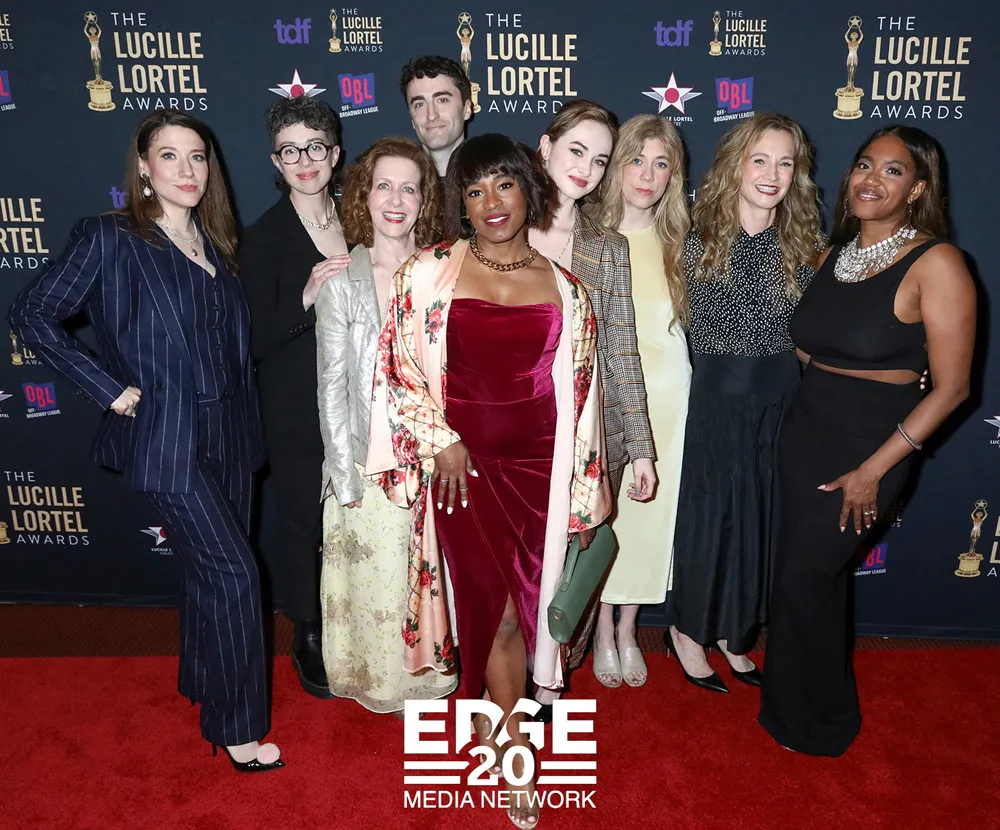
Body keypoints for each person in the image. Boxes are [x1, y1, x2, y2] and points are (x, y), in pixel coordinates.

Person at [9, 110, 282, 772]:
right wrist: (106, 388)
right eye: (169, 156)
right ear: (142, 167)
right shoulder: (111, 237)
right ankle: (237, 728)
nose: (187, 170)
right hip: (167, 439)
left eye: (197, 156)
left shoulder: (216, 244)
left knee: (208, 576)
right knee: (236, 575)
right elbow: (31, 313)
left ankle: (204, 683)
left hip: (231, 431)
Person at [367, 133, 610, 828]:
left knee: (526, 606)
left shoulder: (568, 289)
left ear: (529, 190)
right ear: (461, 204)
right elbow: (396, 366)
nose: (491, 203)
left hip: (540, 471)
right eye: (474, 191)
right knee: (493, 608)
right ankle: (513, 748)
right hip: (462, 473)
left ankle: (493, 715)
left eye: (504, 185)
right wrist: (440, 440)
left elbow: (584, 395)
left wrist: (586, 492)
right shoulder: (427, 272)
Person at [759, 126, 975, 756]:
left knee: (805, 577)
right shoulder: (830, 256)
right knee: (807, 581)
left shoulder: (937, 264)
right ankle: (800, 711)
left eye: (893, 170)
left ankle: (819, 724)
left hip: (870, 447)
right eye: (863, 165)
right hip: (805, 432)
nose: (871, 179)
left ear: (919, 189)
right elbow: (810, 347)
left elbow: (953, 389)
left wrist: (873, 470)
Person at [666, 113, 824, 693]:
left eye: (785, 163)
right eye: (760, 160)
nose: (772, 174)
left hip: (780, 402)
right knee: (711, 520)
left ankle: (736, 632)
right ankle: (688, 630)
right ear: (735, 165)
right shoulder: (695, 238)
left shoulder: (804, 244)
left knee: (760, 521)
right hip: (718, 399)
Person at [315, 137, 457, 712]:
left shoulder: (445, 271)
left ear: (425, 199)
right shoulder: (342, 280)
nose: (396, 201)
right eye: (384, 187)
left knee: (428, 578)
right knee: (377, 583)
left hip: (435, 460)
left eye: (409, 188)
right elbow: (331, 387)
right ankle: (382, 686)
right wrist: (344, 478)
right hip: (366, 462)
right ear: (364, 196)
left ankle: (428, 679)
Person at [531, 100, 656, 690]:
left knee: (573, 560)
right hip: (512, 432)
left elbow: (623, 350)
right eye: (576, 151)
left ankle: (550, 677)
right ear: (545, 147)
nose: (585, 169)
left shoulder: (608, 247)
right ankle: (507, 672)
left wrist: (642, 448)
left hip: (588, 434)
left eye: (600, 160)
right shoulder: (498, 227)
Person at [239, 96, 348, 699]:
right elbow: (252, 338)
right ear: (276, 163)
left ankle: (353, 618)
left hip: (358, 400)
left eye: (314, 147)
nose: (304, 161)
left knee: (351, 517)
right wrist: (305, 296)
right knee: (303, 520)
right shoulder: (264, 237)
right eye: (289, 151)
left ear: (334, 152)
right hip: (293, 403)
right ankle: (307, 631)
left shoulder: (362, 218)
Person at [589, 114, 692, 688]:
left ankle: (629, 628)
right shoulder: (586, 236)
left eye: (661, 163)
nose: (647, 175)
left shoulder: (682, 241)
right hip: (610, 399)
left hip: (672, 399)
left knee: (652, 518)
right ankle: (601, 627)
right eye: (636, 160)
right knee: (612, 515)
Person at [400, 55, 472, 178]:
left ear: (467, 109)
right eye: (420, 104)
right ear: (412, 118)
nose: (432, 115)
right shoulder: (396, 183)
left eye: (442, 100)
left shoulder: (494, 179)